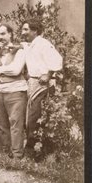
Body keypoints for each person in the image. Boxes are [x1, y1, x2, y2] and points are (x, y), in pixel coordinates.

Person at [0, 24, 28, 159]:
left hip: (16, 91)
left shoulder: (19, 50)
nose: (0, 37)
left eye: (3, 34)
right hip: (0, 90)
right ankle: (6, 151)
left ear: (10, 34)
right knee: (2, 123)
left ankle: (17, 154)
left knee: (15, 122)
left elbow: (16, 70)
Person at [21, 19, 63, 151]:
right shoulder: (31, 44)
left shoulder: (44, 44)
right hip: (33, 82)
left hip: (42, 84)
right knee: (32, 114)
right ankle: (34, 147)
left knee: (36, 115)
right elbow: (25, 47)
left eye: (26, 30)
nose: (23, 33)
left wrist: (48, 74)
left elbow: (57, 60)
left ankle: (35, 149)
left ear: (35, 31)